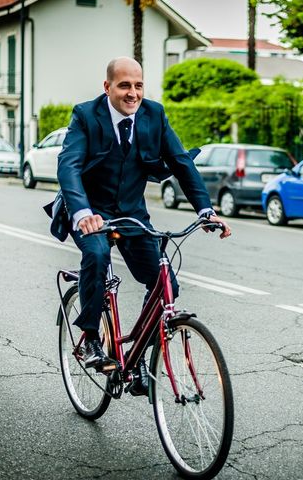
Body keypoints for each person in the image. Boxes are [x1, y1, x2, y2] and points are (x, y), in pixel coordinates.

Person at [57, 56, 231, 394]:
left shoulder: (154, 114)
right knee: (96, 255)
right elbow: (69, 166)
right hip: (91, 212)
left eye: (138, 85)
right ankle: (92, 338)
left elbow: (181, 163)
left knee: (167, 285)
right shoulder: (85, 116)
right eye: (124, 85)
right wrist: (82, 213)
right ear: (107, 87)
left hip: (133, 214)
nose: (132, 93)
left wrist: (206, 211)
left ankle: (137, 362)